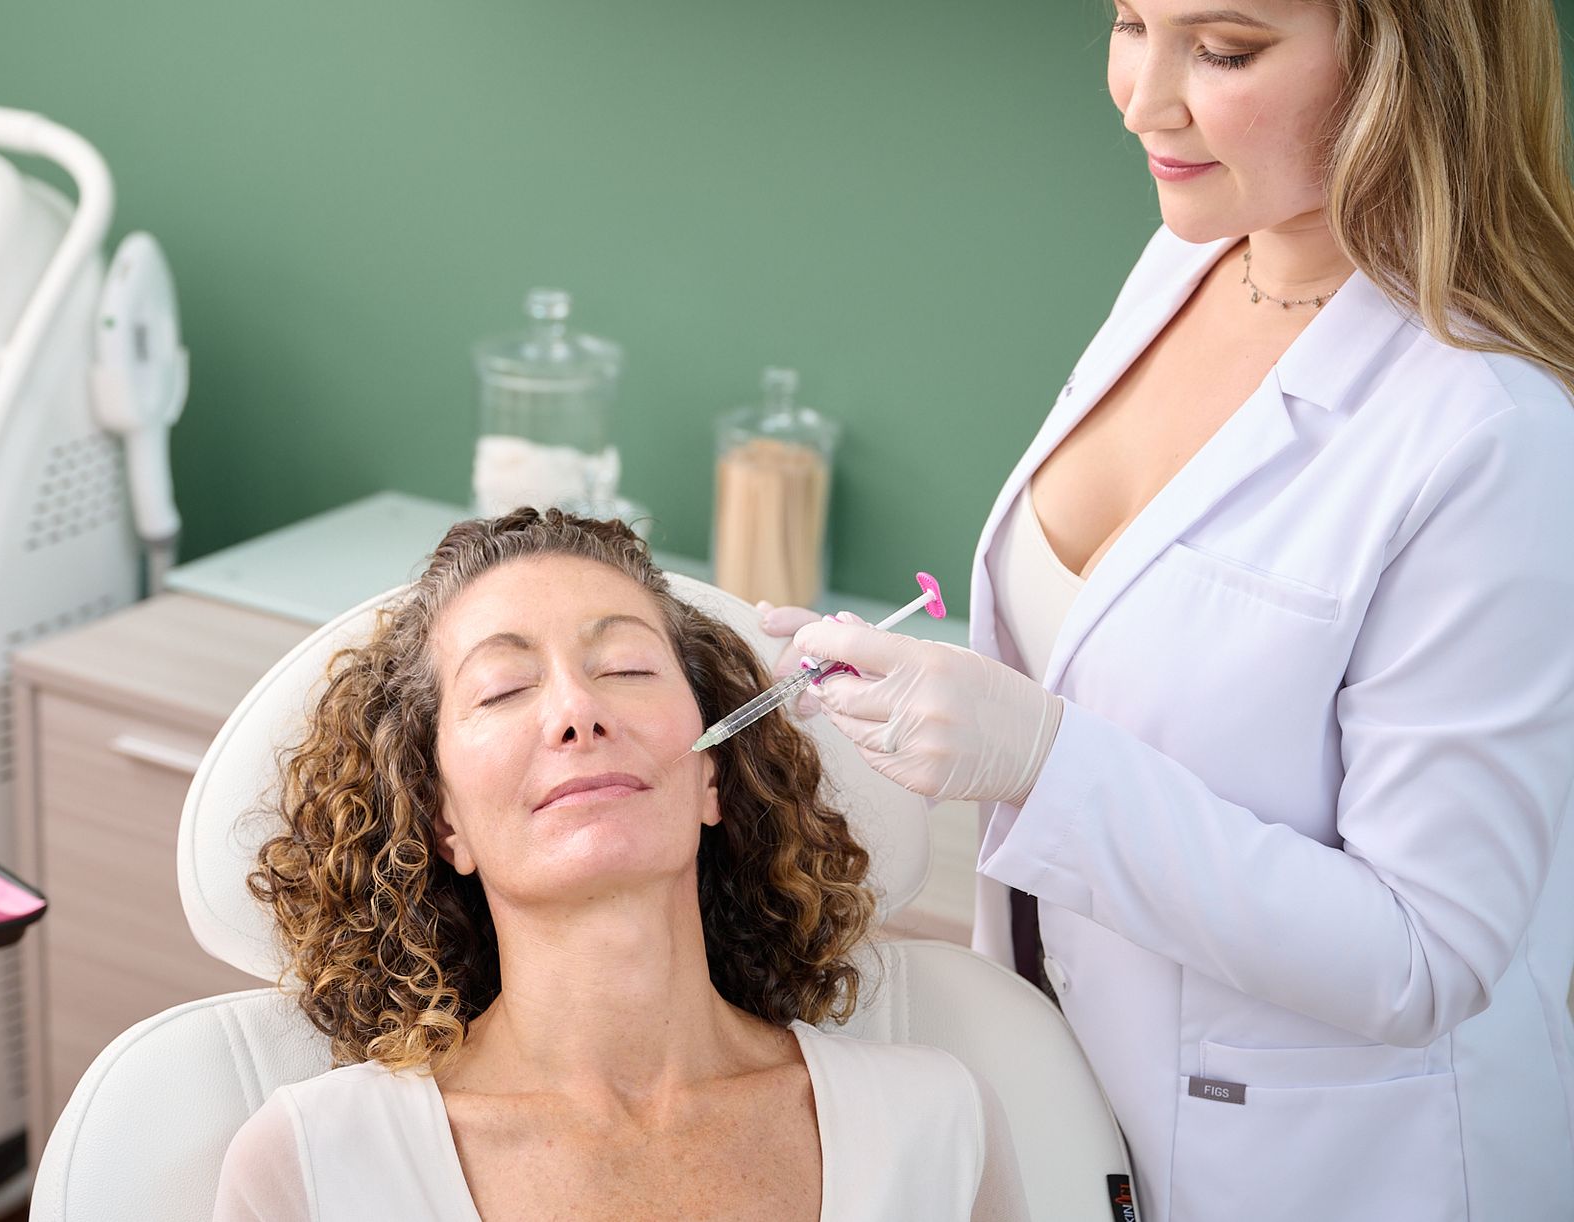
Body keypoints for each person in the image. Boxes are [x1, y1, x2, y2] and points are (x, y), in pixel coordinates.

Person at [762, 2, 1574, 1219]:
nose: (1142, 97)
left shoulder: (1492, 434)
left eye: (1224, 50)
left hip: (1332, 1170)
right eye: (1131, 21)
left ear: (1410, 66)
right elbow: (1131, 643)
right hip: (1074, 1100)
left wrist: (1040, 761)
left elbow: (1427, 953)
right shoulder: (1197, 253)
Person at [211, 510, 1030, 1220]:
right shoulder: (314, 1165)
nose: (577, 712)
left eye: (627, 669)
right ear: (442, 820)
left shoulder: (938, 1126)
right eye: (502, 690)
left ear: (713, 773)